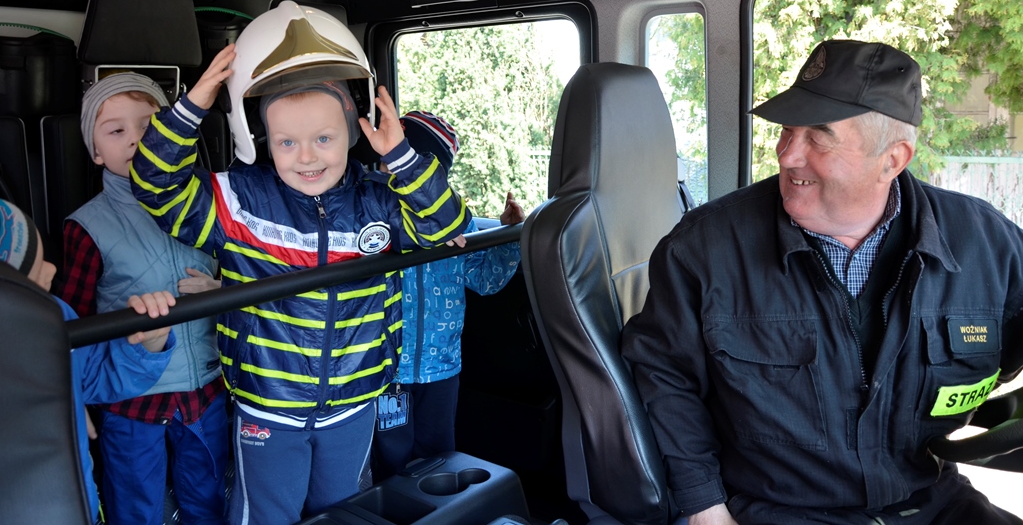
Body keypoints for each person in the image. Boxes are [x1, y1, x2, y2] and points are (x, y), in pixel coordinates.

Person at [621, 39, 1023, 525]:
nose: (787, 155)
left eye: (819, 136)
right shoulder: (704, 249)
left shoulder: (988, 245)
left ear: (893, 159)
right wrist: (706, 508)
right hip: (781, 510)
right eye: (788, 131)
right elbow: (666, 379)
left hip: (931, 502)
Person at [129, 1, 470, 525]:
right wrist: (192, 106)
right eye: (287, 142)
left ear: (353, 131)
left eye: (324, 139)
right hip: (268, 404)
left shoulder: (378, 201)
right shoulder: (237, 202)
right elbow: (156, 185)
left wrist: (400, 157)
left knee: (342, 514)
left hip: (356, 400)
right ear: (259, 137)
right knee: (267, 515)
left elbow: (444, 226)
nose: (306, 157)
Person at [58, 72, 229, 525]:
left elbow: (245, 269)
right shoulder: (87, 226)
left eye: (151, 127)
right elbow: (71, 326)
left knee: (209, 501)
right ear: (96, 151)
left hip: (207, 388)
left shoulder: (210, 203)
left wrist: (222, 290)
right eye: (116, 131)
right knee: (137, 509)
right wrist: (72, 402)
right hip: (131, 401)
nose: (136, 140)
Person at [0, 198, 178, 525]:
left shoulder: (55, 317)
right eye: (38, 271)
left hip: (77, 500)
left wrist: (149, 343)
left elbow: (99, 375)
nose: (52, 269)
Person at [371, 111, 525, 480]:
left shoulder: (456, 220)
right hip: (386, 367)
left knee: (439, 457)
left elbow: (485, 279)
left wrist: (509, 237)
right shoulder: (373, 209)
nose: (392, 171)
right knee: (389, 459)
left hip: (441, 364)